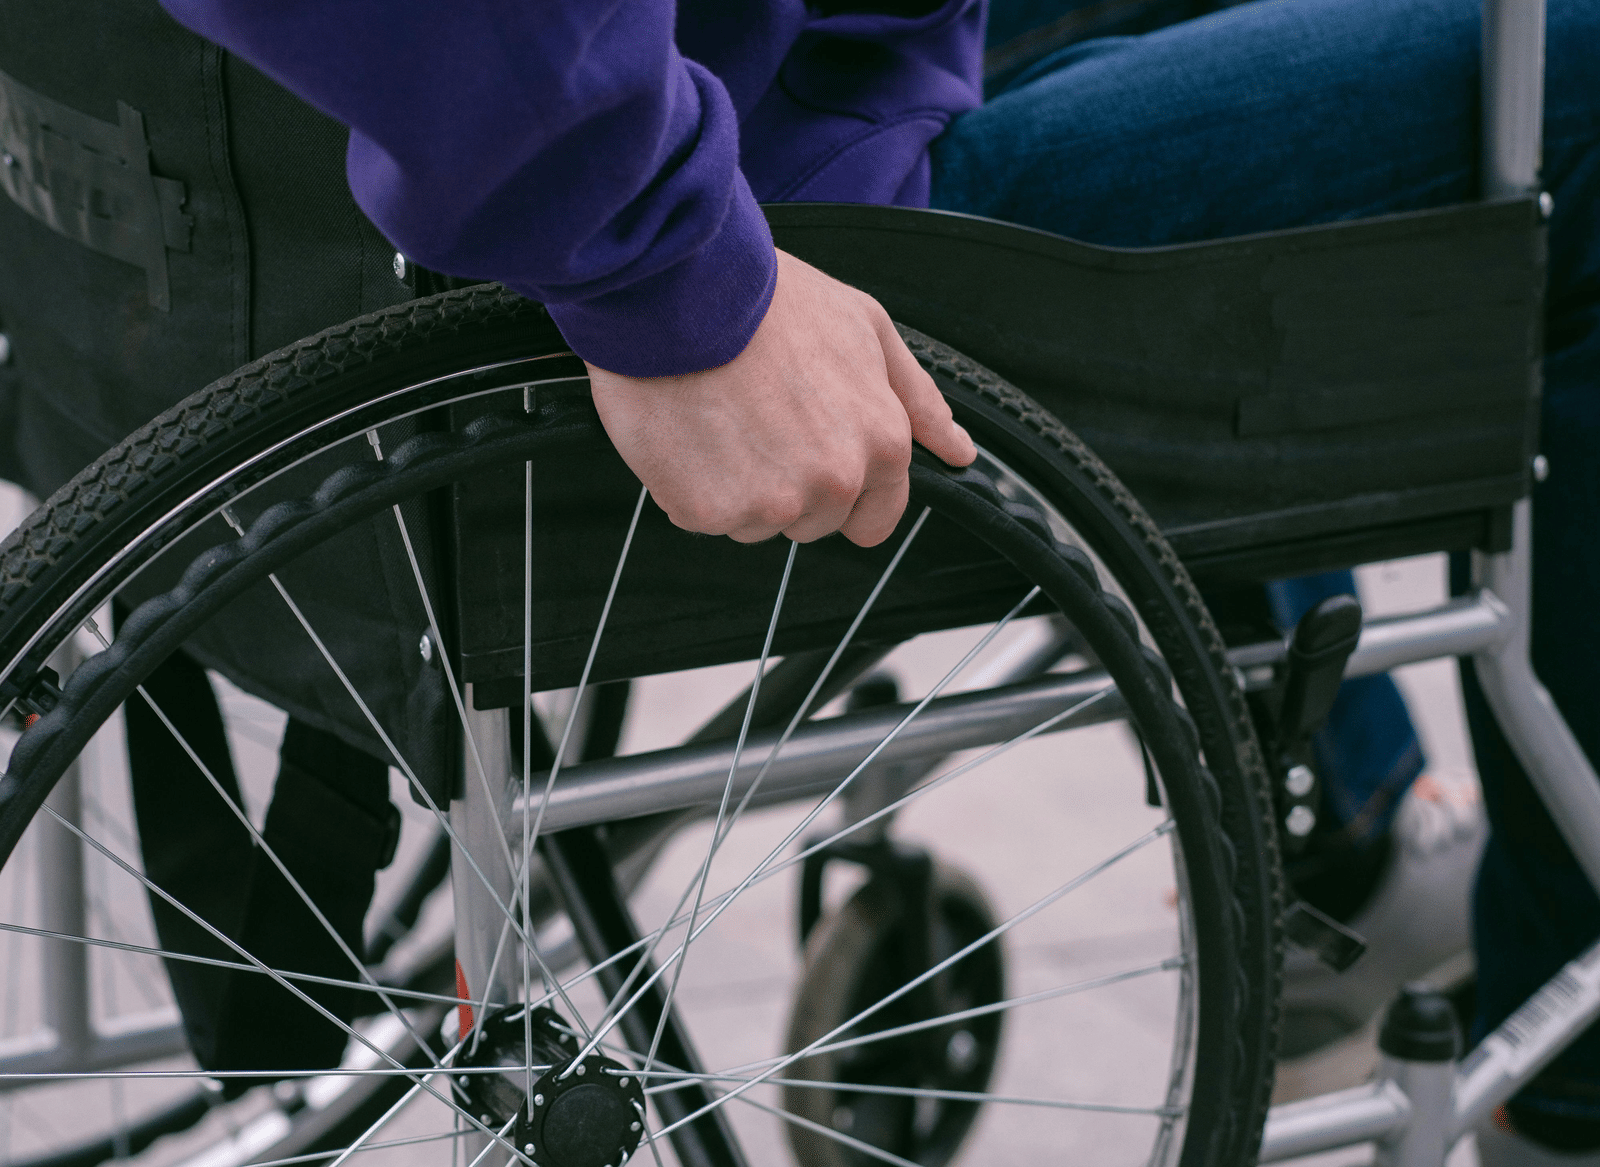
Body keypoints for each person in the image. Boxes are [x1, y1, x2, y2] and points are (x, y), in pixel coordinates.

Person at [2, 0, 1595, 1159]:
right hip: (719, 235)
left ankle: (1351, 832)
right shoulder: (644, 222)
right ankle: (1563, 1082)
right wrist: (667, 258)